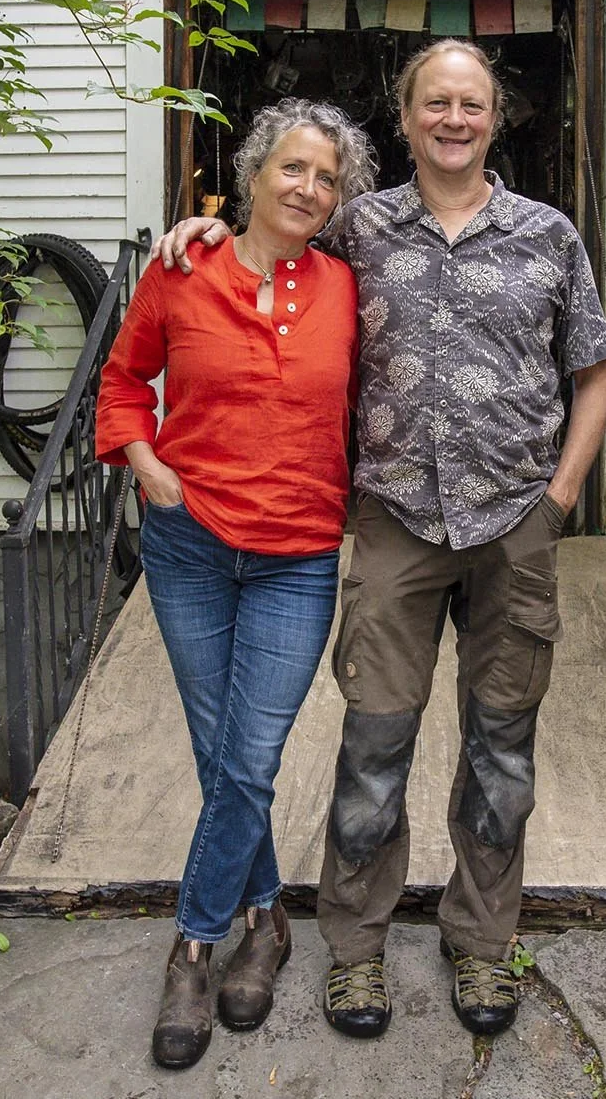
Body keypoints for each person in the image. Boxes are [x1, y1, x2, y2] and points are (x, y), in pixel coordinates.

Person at [156, 40, 606, 1040]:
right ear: (405, 120)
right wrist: (204, 225)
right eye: (434, 104)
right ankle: (355, 952)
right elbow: (266, 254)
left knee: (502, 752)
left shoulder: (546, 236)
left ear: (494, 119)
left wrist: (561, 495)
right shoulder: (358, 230)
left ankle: (480, 943)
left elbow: (591, 372)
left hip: (513, 522)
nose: (454, 119)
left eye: (473, 104)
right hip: (395, 521)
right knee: (372, 747)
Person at [97, 98, 376, 1069]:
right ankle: (266, 920)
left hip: (295, 558)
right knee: (224, 757)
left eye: (327, 178)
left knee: (246, 759)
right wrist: (144, 461)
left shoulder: (347, 284)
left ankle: (193, 947)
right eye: (292, 168)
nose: (308, 188)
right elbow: (123, 379)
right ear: (252, 175)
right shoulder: (181, 268)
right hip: (186, 548)